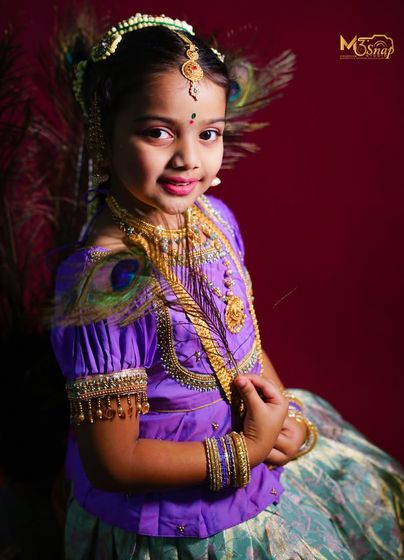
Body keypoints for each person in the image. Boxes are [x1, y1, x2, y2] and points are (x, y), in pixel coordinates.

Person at [50, 12, 403, 559]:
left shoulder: (215, 218)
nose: (189, 158)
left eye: (208, 132)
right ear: (103, 128)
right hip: (174, 527)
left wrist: (281, 413)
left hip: (254, 459)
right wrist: (245, 450)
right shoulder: (103, 284)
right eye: (157, 131)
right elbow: (112, 461)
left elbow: (241, 341)